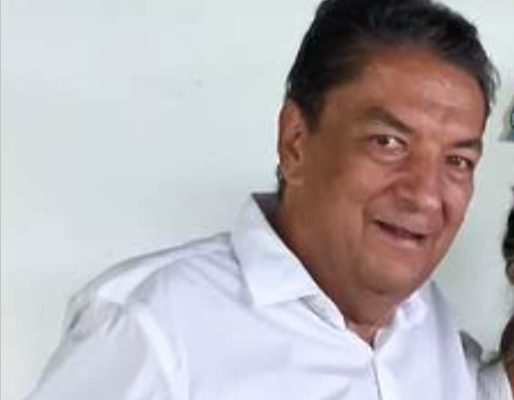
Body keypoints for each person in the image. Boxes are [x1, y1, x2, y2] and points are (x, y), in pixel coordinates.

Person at [26, 0, 501, 399]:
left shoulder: (430, 326)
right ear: (295, 142)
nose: (425, 195)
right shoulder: (152, 327)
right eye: (388, 143)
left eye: (458, 161)